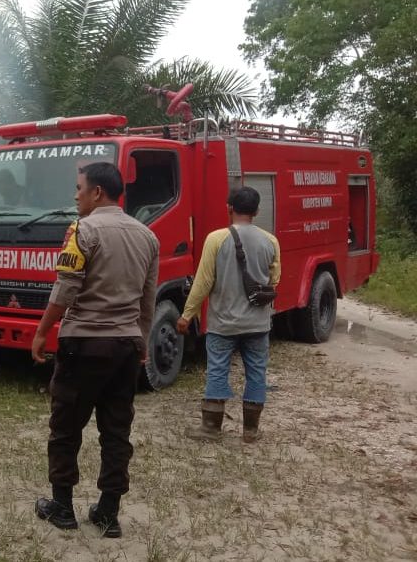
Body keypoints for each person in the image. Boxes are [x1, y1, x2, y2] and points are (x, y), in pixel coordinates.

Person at [31, 162, 159, 538]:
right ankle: (108, 512)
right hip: (124, 347)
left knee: (66, 427)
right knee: (116, 431)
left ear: (97, 192)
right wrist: (142, 342)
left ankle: (62, 508)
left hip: (83, 344)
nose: (75, 195)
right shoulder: (147, 237)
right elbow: (148, 300)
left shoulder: (82, 230)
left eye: (79, 188)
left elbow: (66, 289)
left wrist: (41, 332)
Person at [177, 186, 281, 443]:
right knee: (257, 372)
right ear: (257, 211)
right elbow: (274, 280)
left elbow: (203, 282)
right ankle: (251, 431)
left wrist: (186, 315)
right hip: (258, 323)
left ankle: (211, 429)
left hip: (223, 323)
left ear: (229, 208)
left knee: (217, 370)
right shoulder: (271, 241)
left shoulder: (215, 239)